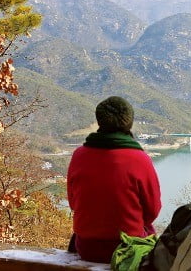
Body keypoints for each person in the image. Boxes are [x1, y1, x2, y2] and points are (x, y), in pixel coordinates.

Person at [67, 96, 162, 263]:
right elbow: (152, 210)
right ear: (129, 123)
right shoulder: (140, 159)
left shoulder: (79, 155)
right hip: (128, 249)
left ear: (100, 121)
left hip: (87, 248)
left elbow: (74, 203)